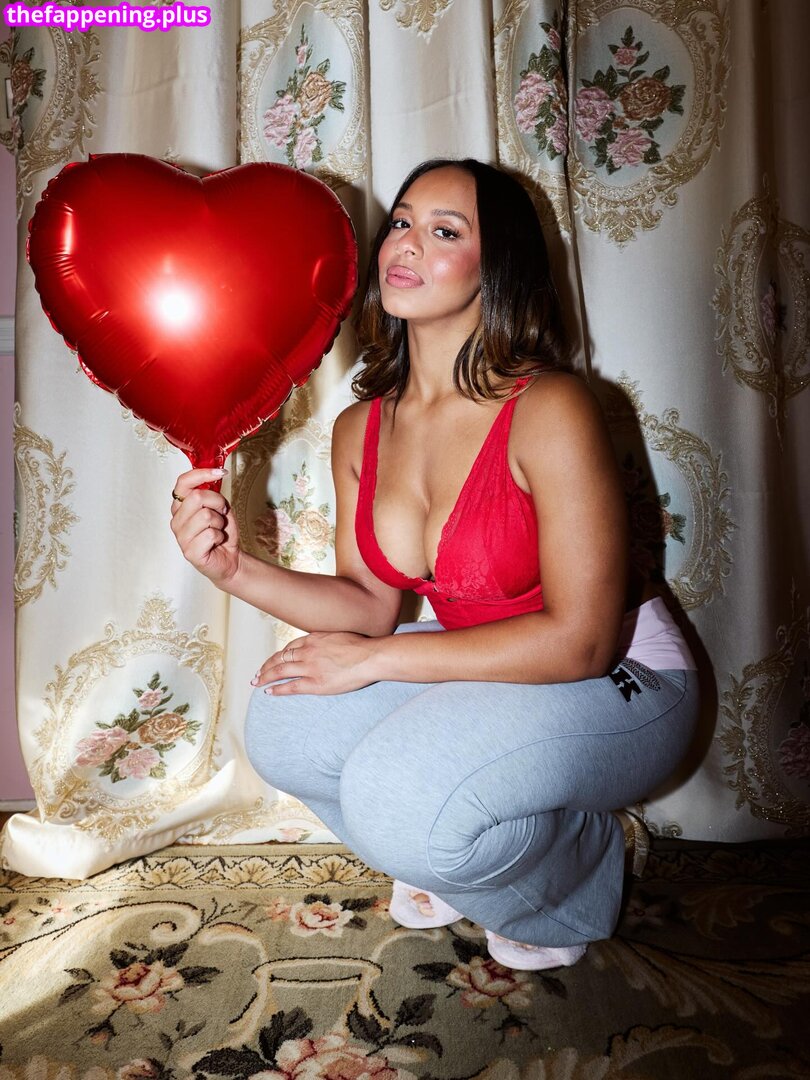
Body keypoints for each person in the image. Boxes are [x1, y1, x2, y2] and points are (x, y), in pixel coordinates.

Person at [170, 158, 698, 971]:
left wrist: (374, 663)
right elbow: (369, 604)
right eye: (402, 222)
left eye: (445, 230)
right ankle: (469, 851)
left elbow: (582, 643)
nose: (406, 244)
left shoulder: (551, 407)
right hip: (491, 671)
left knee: (398, 802)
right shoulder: (361, 427)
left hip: (625, 681)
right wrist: (234, 570)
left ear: (497, 266)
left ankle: (576, 869)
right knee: (283, 725)